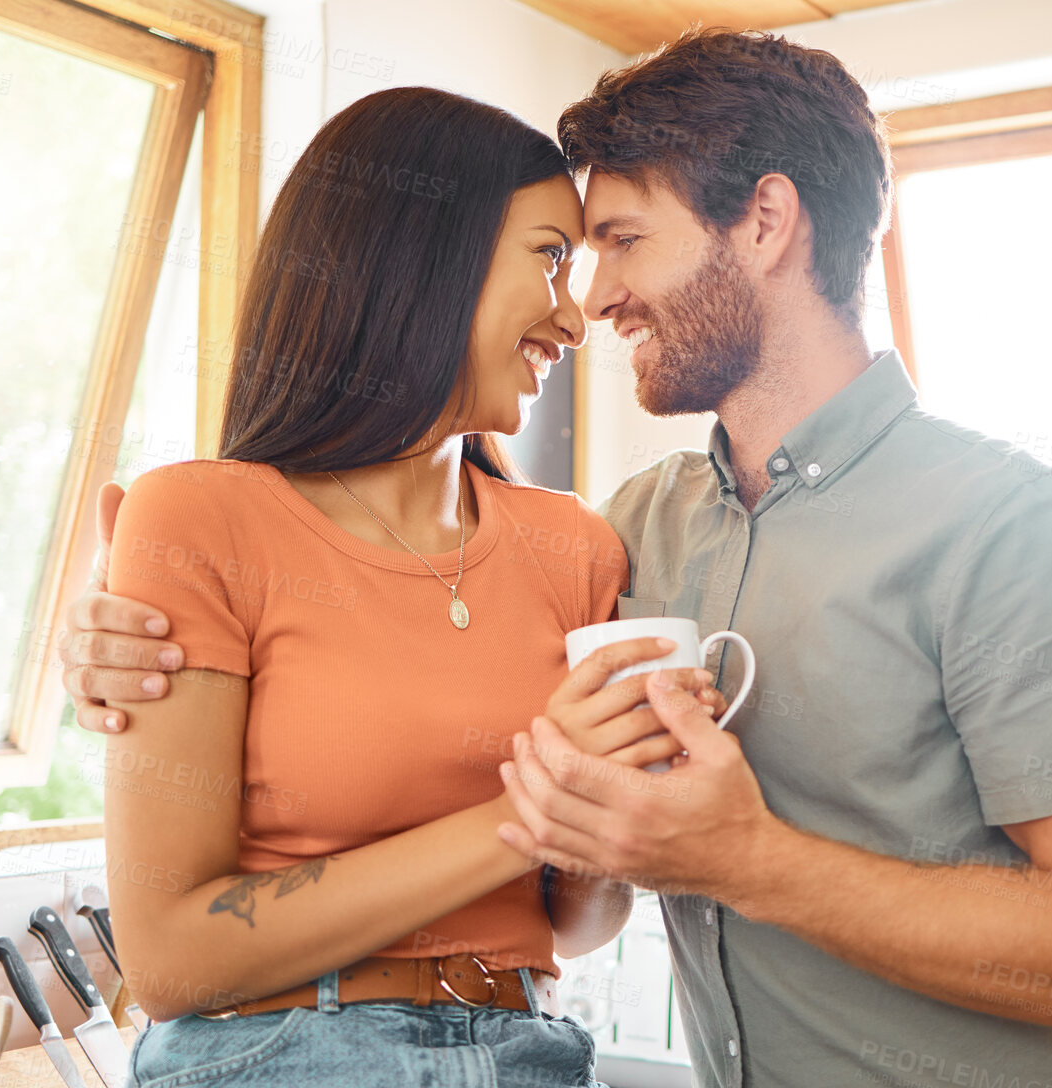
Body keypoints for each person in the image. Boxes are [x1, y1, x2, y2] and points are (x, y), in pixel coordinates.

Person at [65, 30, 1052, 1088]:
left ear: (763, 223)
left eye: (619, 242)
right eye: (565, 254)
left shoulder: (1008, 526)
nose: (590, 302)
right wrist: (119, 644)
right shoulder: (634, 531)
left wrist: (749, 860)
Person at [91, 85, 726, 1088]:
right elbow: (172, 960)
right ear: (420, 254)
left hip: (532, 1045)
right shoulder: (198, 518)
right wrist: (536, 797)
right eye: (550, 257)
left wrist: (605, 809)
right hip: (283, 1051)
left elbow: (578, 918)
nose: (573, 315)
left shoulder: (575, 546)